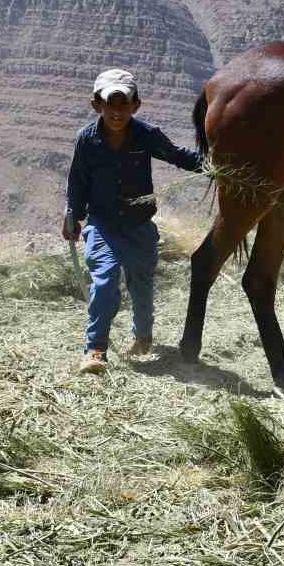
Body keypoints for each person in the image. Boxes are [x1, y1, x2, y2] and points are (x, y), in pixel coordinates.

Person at [62, 68, 203, 374]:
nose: (117, 112)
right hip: (103, 224)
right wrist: (72, 215)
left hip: (140, 226)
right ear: (96, 105)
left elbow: (178, 156)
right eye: (109, 104)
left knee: (141, 286)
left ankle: (142, 337)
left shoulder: (146, 135)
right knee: (104, 281)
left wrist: (216, 165)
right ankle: (95, 350)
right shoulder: (86, 140)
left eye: (123, 104)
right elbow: (77, 181)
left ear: (135, 105)